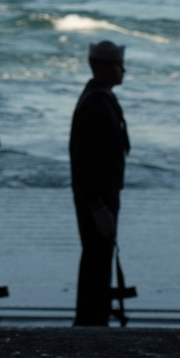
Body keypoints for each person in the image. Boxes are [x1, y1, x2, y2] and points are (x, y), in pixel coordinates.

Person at [70, 41, 131, 326]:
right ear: (104, 68)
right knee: (96, 261)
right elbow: (84, 162)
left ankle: (94, 320)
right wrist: (96, 205)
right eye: (119, 65)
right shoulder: (96, 104)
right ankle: (91, 323)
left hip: (103, 197)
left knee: (99, 259)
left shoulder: (98, 98)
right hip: (99, 199)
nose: (124, 70)